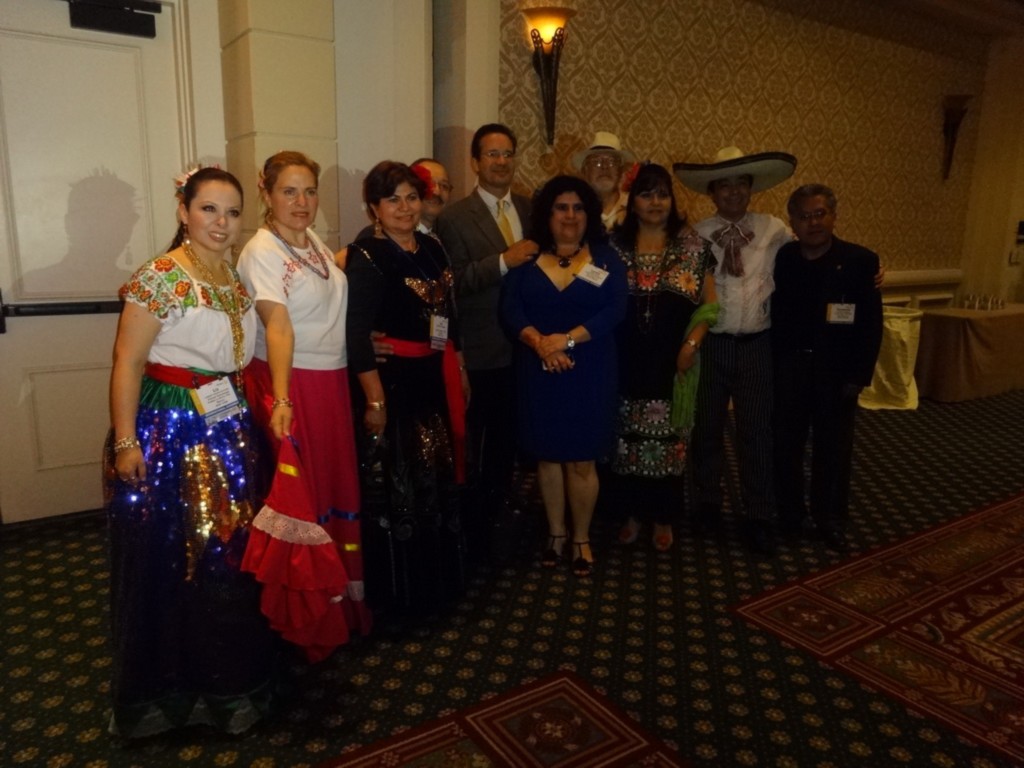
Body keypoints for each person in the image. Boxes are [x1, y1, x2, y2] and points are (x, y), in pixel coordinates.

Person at [105, 166, 276, 737]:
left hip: (225, 426)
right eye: (208, 209)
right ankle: (167, 690)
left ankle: (227, 681)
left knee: (225, 554)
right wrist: (126, 442)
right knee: (173, 558)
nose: (221, 223)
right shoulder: (160, 276)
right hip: (170, 429)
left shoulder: (232, 276)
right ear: (184, 211)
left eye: (232, 212)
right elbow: (128, 360)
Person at [236, 151, 371, 638]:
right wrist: (282, 399)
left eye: (309, 191)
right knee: (304, 496)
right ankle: (308, 622)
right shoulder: (261, 251)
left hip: (329, 382)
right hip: (292, 383)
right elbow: (278, 326)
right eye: (289, 191)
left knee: (332, 490)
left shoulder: (311, 241)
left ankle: (341, 608)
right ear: (267, 194)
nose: (302, 201)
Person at [341, 160, 470, 615]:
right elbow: (356, 335)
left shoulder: (432, 247)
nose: (404, 207)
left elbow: (449, 314)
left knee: (435, 480)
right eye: (392, 199)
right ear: (374, 208)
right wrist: (375, 401)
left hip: (433, 377)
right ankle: (402, 602)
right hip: (392, 385)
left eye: (412, 197)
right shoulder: (367, 256)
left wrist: (459, 365)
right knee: (401, 487)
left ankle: (439, 588)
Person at [501, 175, 627, 577]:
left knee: (582, 460)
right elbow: (511, 310)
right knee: (548, 457)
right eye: (561, 207)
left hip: (589, 370)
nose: (570, 216)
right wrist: (541, 343)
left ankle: (581, 538)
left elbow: (615, 310)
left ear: (589, 214)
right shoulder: (526, 258)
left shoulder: (606, 259)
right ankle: (556, 533)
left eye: (578, 208)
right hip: (539, 370)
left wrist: (567, 340)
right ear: (547, 214)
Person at [674, 147, 796, 556]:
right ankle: (707, 504)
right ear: (712, 192)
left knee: (756, 432)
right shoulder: (696, 234)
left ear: (751, 187)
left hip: (757, 345)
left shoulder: (773, 229)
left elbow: (806, 260)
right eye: (723, 185)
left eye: (740, 184)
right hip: (712, 345)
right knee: (705, 429)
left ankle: (759, 514)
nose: (733, 192)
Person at [436, 123, 537, 559]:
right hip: (482, 349)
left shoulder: (531, 209)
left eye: (508, 153)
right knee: (481, 445)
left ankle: (506, 515)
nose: (501, 161)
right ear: (476, 163)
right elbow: (452, 283)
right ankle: (479, 531)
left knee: (514, 439)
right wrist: (502, 261)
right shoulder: (454, 218)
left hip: (528, 347)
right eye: (492, 154)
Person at [610, 163, 718, 552]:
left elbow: (710, 307)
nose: (655, 202)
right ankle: (631, 513)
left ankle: (664, 516)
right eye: (646, 194)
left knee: (670, 445)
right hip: (624, 362)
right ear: (632, 201)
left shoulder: (694, 248)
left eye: (662, 194)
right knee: (626, 444)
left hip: (674, 364)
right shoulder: (613, 248)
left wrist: (691, 346)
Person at [771, 184, 883, 552]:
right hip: (790, 368)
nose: (813, 222)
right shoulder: (784, 258)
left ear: (834, 216)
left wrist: (858, 375)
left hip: (837, 373)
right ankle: (790, 515)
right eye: (804, 216)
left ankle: (829, 518)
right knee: (786, 445)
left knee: (833, 449)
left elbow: (871, 324)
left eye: (820, 214)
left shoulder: (861, 261)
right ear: (792, 222)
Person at [352, 158, 452, 240]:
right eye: (394, 200)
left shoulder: (443, 237)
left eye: (444, 186)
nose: (436, 192)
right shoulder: (372, 240)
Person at [572, 131, 636, 231]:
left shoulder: (634, 207)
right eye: (596, 162)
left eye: (611, 162)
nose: (604, 167)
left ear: (621, 170)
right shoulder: (573, 209)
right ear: (585, 171)